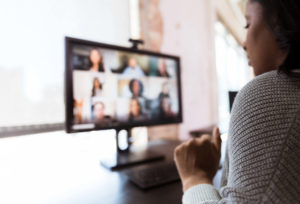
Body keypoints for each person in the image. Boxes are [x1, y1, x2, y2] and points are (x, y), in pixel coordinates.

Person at [174, 0, 300, 203]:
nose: (244, 43)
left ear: (279, 25)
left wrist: (194, 177)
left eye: (248, 25)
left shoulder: (267, 94)